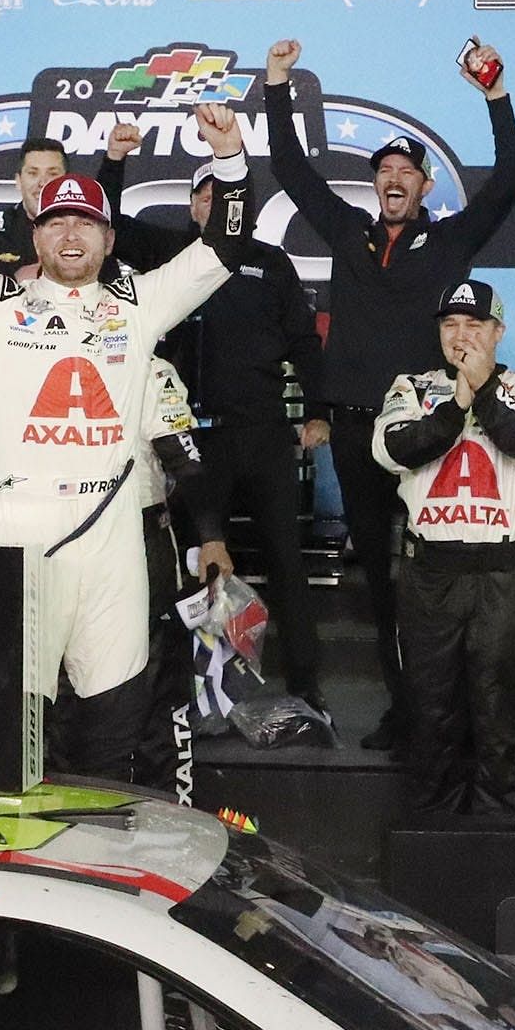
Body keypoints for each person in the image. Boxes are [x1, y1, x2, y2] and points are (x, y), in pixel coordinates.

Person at [0, 74, 251, 779]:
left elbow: (223, 252)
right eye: (55, 221)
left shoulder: (141, 303)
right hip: (22, 544)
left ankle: (97, 878)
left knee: (112, 731)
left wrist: (231, 162)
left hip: (112, 550)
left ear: (110, 239)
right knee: (18, 733)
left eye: (85, 222)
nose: (70, 232)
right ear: (35, 234)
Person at [264, 37, 515, 750]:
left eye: (407, 170)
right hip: (355, 429)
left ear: (425, 188)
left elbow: (510, 181)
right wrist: (278, 85)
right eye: (383, 170)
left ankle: (447, 709)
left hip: (426, 432)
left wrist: (495, 98)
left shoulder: (448, 243)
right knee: (378, 576)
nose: (393, 178)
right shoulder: (348, 232)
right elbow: (289, 168)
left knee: (427, 574)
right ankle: (406, 708)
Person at [97, 136, 331, 711]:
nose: (211, 202)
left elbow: (304, 341)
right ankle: (192, 694)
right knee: (193, 562)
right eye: (202, 194)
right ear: (193, 207)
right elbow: (107, 224)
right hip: (190, 438)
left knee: (285, 560)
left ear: (239, 207)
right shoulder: (169, 252)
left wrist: (321, 411)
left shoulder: (271, 263)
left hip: (263, 433)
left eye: (221, 193)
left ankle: (306, 686)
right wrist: (115, 162)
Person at [373, 279, 515, 818]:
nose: (461, 336)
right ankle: (433, 845)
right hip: (429, 574)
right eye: (450, 325)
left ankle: (499, 844)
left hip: (499, 575)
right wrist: (457, 403)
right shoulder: (410, 387)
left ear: (498, 332)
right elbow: (392, 450)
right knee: (430, 715)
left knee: (500, 713)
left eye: (474, 326)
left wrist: (482, 391)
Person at [133, 353, 224, 804]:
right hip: (51, 534)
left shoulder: (153, 368)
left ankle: (169, 808)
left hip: (140, 532)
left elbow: (187, 462)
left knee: (159, 680)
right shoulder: (26, 344)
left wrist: (211, 537)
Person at [0, 136, 71, 275]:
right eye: (33, 173)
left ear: (68, 182)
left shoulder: (85, 237)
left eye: (52, 174)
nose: (42, 183)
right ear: (18, 181)